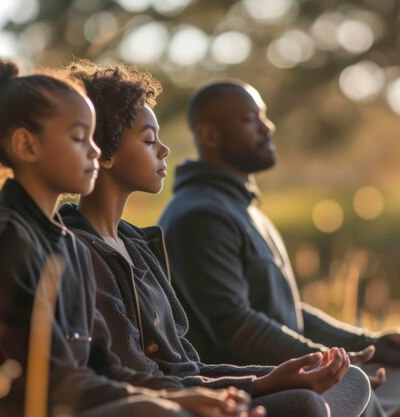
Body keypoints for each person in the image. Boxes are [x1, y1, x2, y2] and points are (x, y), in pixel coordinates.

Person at [0, 47, 261, 417]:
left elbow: (103, 367)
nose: (95, 151)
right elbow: (44, 377)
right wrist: (169, 401)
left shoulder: (67, 243)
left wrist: (209, 393)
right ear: (27, 145)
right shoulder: (0, 235)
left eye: (94, 137)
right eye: (79, 138)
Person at [59, 60, 371, 417]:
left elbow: (188, 366)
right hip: (158, 407)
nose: (164, 150)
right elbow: (140, 379)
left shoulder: (138, 247)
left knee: (350, 381)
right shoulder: (81, 250)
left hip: (192, 390)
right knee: (305, 404)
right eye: (148, 140)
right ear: (105, 153)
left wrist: (272, 376)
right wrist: (261, 385)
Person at [158, 80, 400, 417]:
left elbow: (286, 310)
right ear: (210, 135)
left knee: (399, 377)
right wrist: (329, 364)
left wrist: (365, 343)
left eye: (264, 117)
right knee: (376, 393)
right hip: (254, 385)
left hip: (295, 373)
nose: (267, 127)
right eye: (250, 120)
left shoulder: (241, 208)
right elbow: (236, 326)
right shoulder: (200, 216)